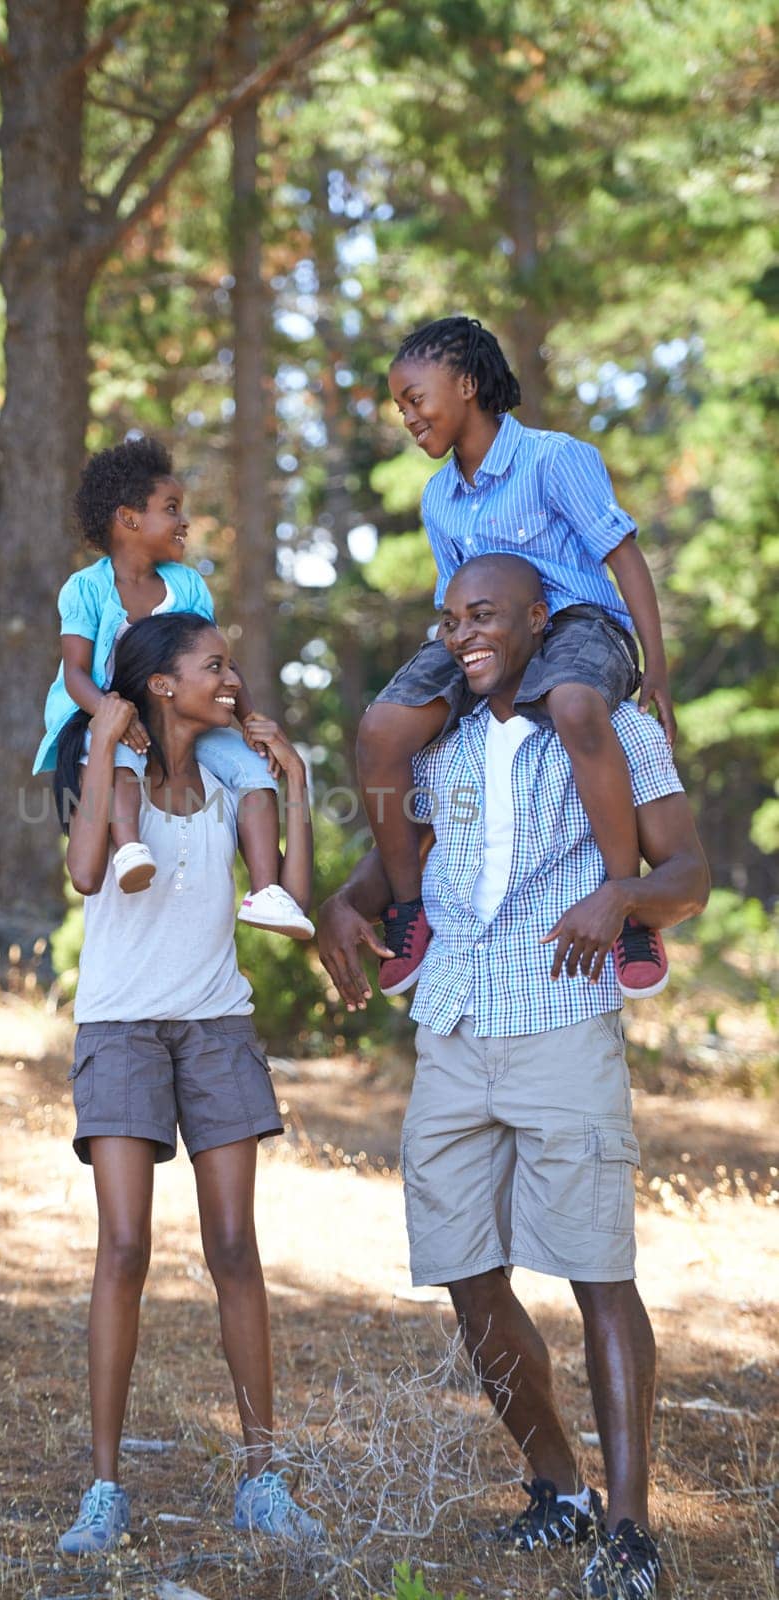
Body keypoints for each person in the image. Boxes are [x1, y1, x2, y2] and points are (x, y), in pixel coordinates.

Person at [319, 555, 709, 1600]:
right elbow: (408, 859)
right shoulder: (436, 736)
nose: (463, 634)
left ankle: (628, 1531)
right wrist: (349, 903)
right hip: (454, 1018)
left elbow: (688, 874)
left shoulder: (613, 727)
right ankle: (558, 1489)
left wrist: (622, 898)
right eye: (450, 620)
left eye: (484, 615)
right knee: (465, 1268)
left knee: (597, 1271)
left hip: (561, 1018)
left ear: (541, 621)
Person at [54, 611, 322, 1554]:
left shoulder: (232, 779)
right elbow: (87, 871)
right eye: (215, 665)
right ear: (162, 685)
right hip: (122, 1026)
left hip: (215, 1023)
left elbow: (287, 892)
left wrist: (293, 780)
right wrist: (98, 744)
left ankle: (263, 1477)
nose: (233, 677)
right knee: (123, 1247)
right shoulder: (120, 775)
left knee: (235, 1246)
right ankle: (104, 1487)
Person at [356, 316, 674, 1001]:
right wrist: (454, 659)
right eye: (400, 406)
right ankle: (409, 908)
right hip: (482, 633)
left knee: (574, 703)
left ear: (467, 385)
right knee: (381, 729)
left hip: (578, 623)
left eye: (417, 398)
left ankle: (630, 909)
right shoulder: (439, 496)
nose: (407, 417)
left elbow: (623, 557)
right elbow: (453, 609)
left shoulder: (555, 459)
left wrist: (658, 666)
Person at [34, 434, 312, 939]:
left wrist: (248, 718)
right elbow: (75, 671)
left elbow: (218, 661)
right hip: (106, 712)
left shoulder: (187, 585)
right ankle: (131, 845)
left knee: (253, 773)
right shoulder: (88, 587)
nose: (184, 520)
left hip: (182, 712)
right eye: (171, 508)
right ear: (129, 518)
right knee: (118, 759)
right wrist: (112, 715)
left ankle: (267, 890)